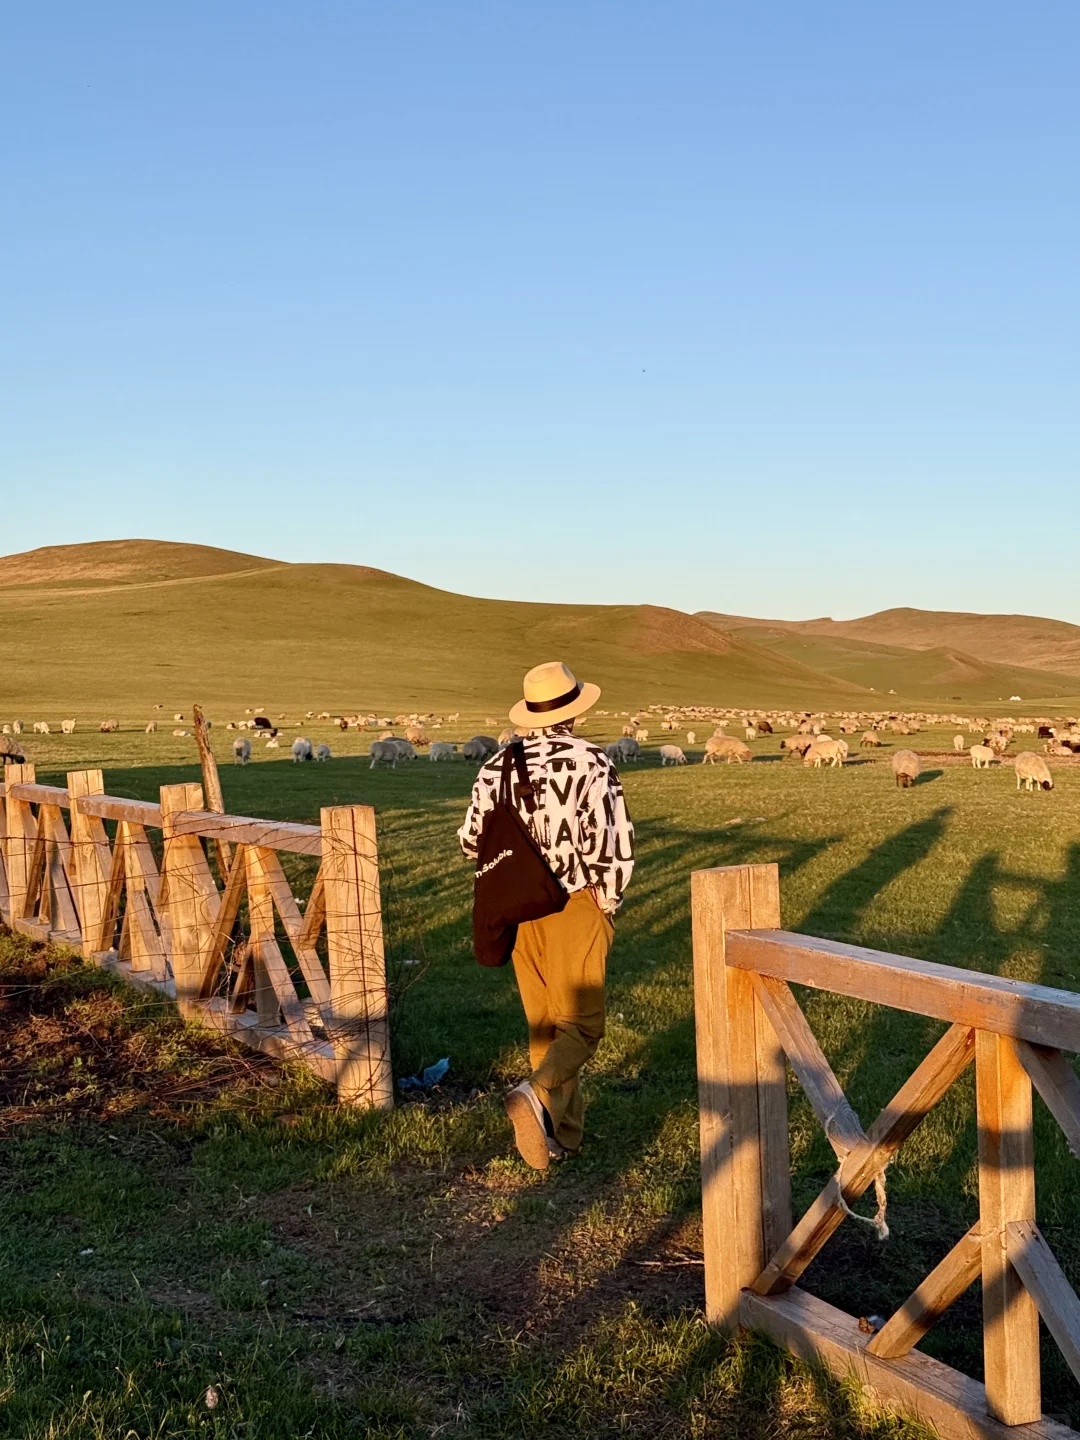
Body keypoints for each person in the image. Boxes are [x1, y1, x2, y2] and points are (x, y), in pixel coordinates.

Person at [457, 661, 635, 1169]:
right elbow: (613, 842)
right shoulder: (592, 762)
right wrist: (609, 899)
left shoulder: (495, 765)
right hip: (574, 902)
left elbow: (471, 839)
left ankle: (559, 1137)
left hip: (517, 909)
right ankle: (534, 1095)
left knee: (543, 1026)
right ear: (575, 713)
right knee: (582, 1025)